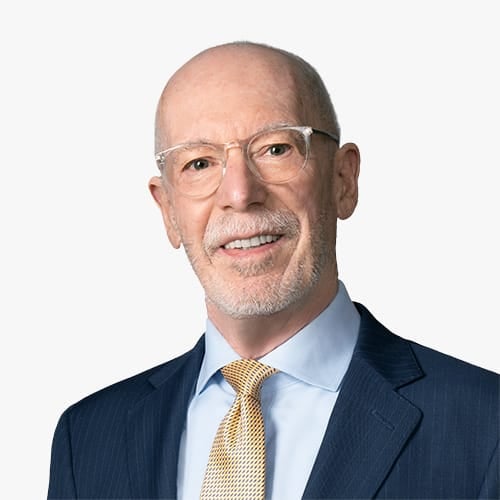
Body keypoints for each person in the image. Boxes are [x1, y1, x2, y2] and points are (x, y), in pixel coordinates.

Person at [48, 42, 498, 499]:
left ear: (343, 180)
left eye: (275, 149)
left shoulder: (485, 428)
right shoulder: (86, 440)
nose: (240, 194)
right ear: (167, 210)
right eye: (199, 163)